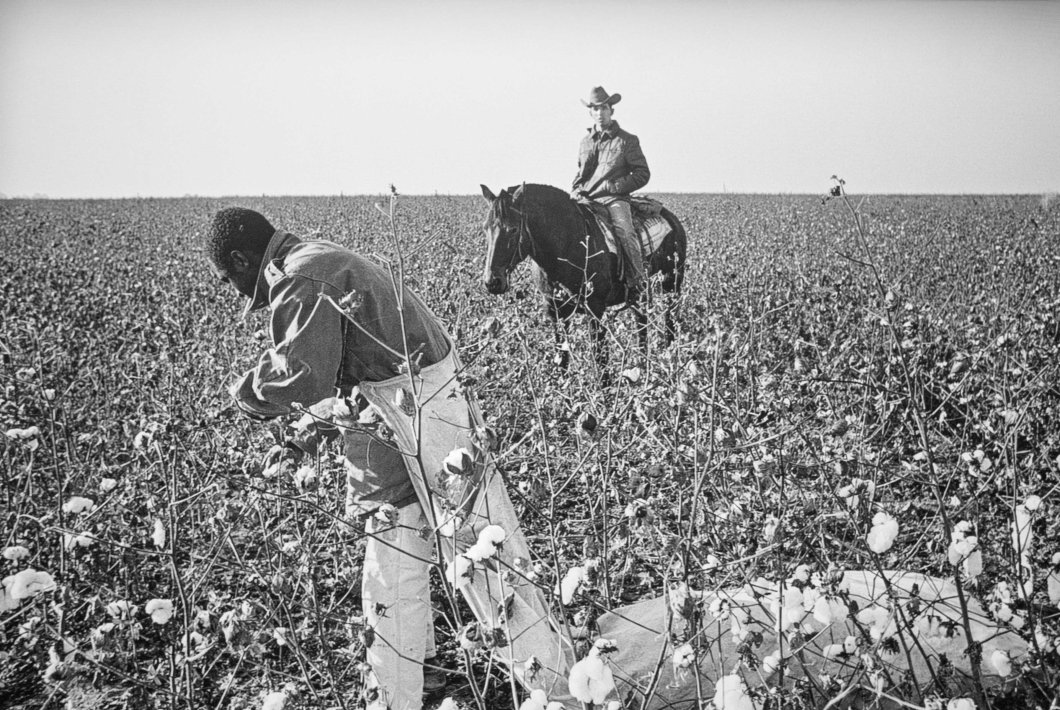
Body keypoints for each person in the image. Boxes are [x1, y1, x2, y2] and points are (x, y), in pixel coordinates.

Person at [206, 207, 449, 710]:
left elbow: (304, 377)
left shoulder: (300, 276)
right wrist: (303, 438)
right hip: (415, 398)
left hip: (403, 405)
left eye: (228, 278)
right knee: (443, 541)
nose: (233, 290)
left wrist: (244, 396)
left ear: (239, 257)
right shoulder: (314, 256)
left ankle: (395, 699)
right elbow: (345, 369)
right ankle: (429, 673)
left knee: (393, 555)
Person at [571, 86, 652, 292]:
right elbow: (581, 173)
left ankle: (638, 282)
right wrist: (576, 189)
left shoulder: (627, 140)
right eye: (595, 109)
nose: (599, 113)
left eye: (604, 108)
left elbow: (642, 173)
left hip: (614, 199)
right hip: (587, 198)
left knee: (624, 230)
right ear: (590, 112)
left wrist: (615, 186)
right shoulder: (585, 143)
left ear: (611, 110)